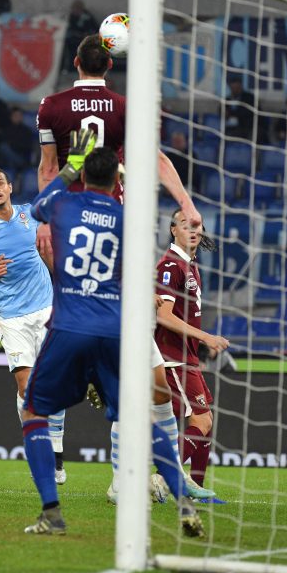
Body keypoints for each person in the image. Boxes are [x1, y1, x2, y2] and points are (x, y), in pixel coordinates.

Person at [20, 141, 204, 537]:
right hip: (113, 327)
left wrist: (68, 169)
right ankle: (182, 501)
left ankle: (51, 512)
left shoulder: (66, 206)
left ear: (85, 175)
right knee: (139, 418)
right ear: (116, 180)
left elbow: (37, 208)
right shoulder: (128, 218)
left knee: (34, 412)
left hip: (70, 324)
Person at [0, 168, 68, 484]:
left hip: (46, 309)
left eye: (0, 184)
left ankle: (57, 454)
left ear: (9, 187)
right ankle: (36, 441)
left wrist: (75, 163)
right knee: (27, 387)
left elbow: (56, 189)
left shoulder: (29, 215)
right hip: (11, 316)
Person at [36, 34, 202, 227]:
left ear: (76, 62)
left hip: (68, 212)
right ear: (110, 64)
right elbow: (157, 161)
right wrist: (187, 205)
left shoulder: (51, 105)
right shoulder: (125, 106)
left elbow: (49, 169)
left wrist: (45, 223)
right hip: (113, 210)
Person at [154, 209, 230, 495]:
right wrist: (206, 337)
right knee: (201, 420)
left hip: (186, 356)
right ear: (173, 230)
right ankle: (162, 478)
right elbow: (164, 316)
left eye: (197, 225)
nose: (194, 230)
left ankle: (194, 485)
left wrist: (198, 345)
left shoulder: (190, 265)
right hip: (171, 357)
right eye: (186, 225)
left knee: (202, 421)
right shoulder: (171, 265)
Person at [61, 0, 97, 72]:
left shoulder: (87, 17)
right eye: (74, 8)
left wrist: (85, 34)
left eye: (77, 9)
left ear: (81, 9)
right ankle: (69, 68)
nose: (75, 10)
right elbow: (67, 28)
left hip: (84, 40)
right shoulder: (71, 16)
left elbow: (94, 29)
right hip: (73, 40)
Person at [223, 76, 257, 141]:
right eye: (233, 88)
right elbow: (221, 110)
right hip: (230, 127)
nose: (235, 90)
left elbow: (248, 112)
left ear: (241, 87)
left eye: (237, 88)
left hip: (246, 127)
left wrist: (232, 114)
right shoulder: (227, 99)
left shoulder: (249, 98)